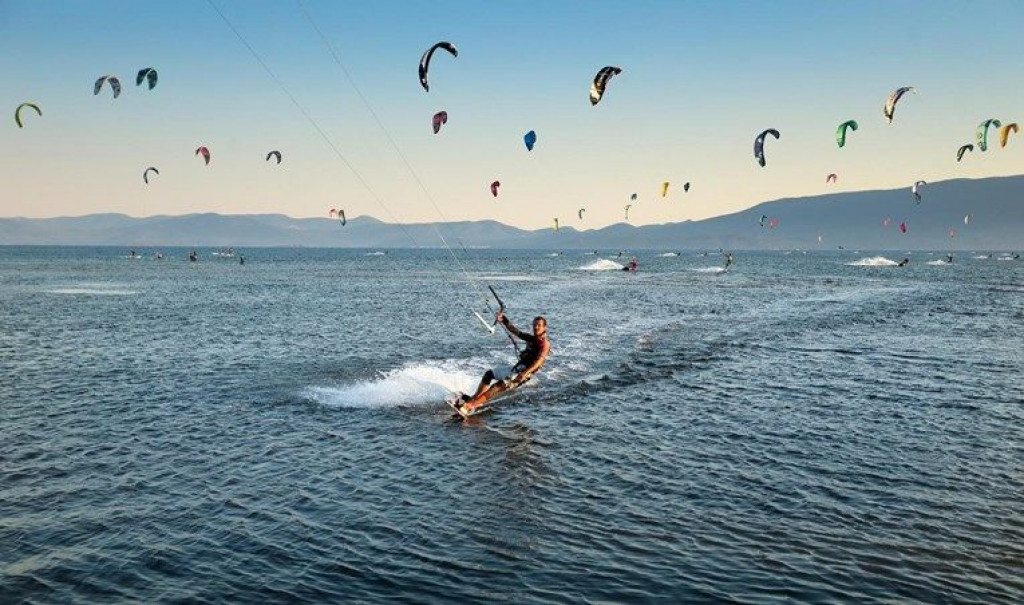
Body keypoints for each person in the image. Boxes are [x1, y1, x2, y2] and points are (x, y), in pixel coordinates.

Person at [457, 312, 550, 413]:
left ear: (544, 327)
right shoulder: (531, 338)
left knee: (498, 386)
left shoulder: (545, 344)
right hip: (516, 368)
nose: (536, 327)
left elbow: (539, 362)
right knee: (489, 374)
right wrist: (505, 320)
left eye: (539, 325)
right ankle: (474, 398)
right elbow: (516, 332)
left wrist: (524, 373)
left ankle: (470, 406)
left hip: (524, 374)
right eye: (534, 325)